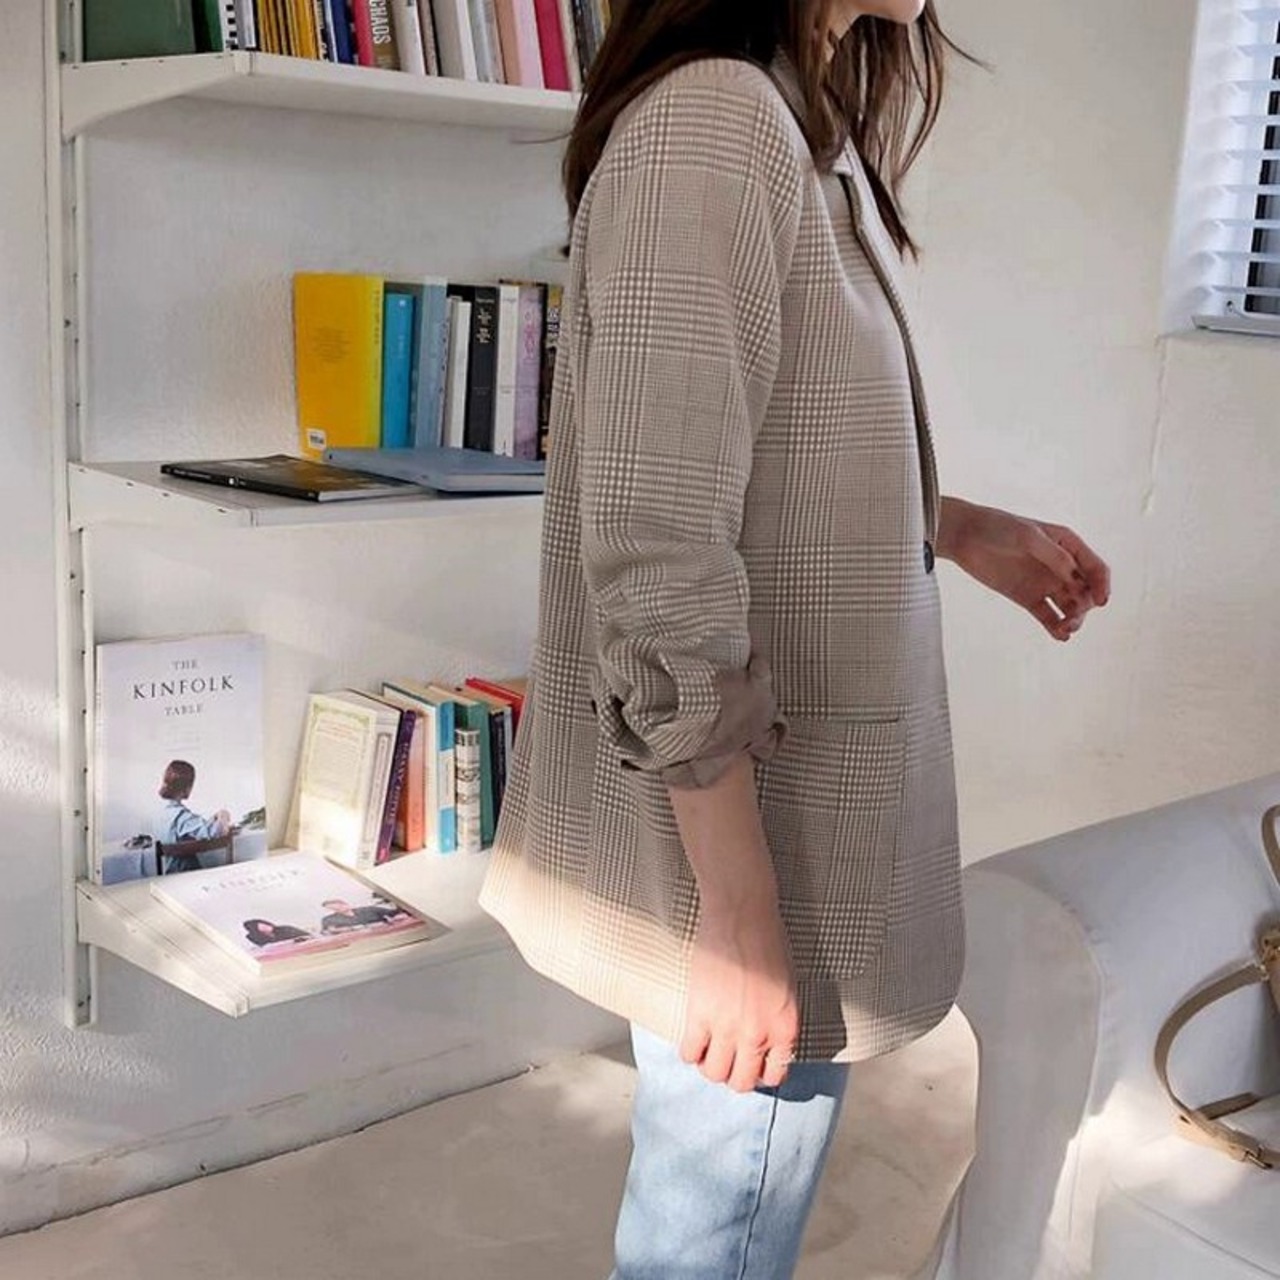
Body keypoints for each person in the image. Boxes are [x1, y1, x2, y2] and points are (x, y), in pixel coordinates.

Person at [479, 1, 1112, 1276]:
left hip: (784, 806)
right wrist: (737, 909)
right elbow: (656, 539)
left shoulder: (788, 115)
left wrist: (956, 525)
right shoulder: (716, 121)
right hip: (755, 827)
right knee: (712, 1231)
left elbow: (772, 440)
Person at [155, 759, 232, 874]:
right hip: (187, 874)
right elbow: (215, 832)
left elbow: (195, 829)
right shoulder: (181, 816)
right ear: (187, 787)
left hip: (170, 873)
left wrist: (213, 818)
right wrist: (224, 814)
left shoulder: (162, 812)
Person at [318, 897, 407, 934]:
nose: (338, 909)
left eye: (339, 906)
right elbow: (326, 933)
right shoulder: (329, 920)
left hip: (384, 933)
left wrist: (397, 918)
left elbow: (394, 914)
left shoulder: (369, 909)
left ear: (346, 904)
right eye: (333, 909)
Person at [242, 919, 311, 948]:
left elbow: (307, 936)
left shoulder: (285, 929)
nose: (266, 926)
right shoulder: (262, 940)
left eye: (265, 924)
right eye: (261, 926)